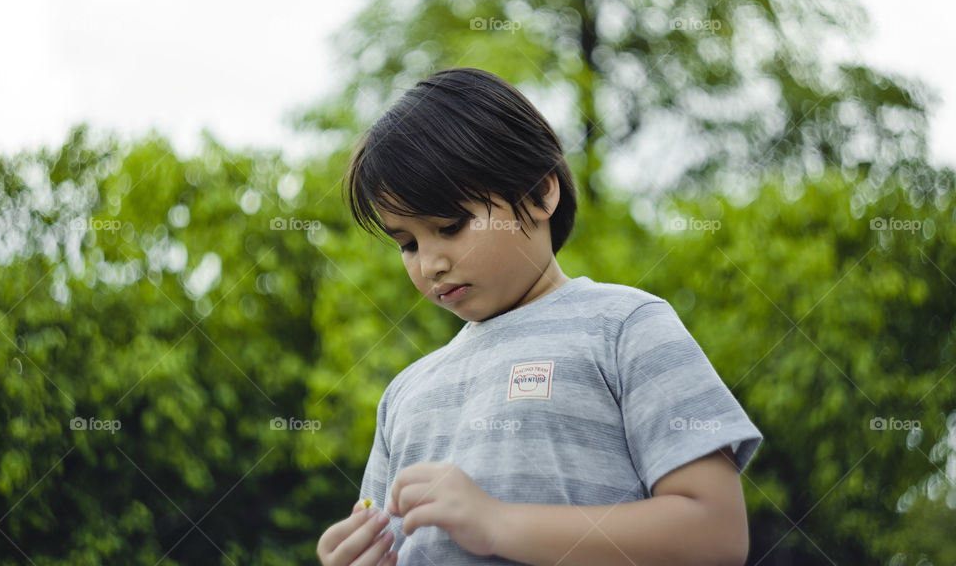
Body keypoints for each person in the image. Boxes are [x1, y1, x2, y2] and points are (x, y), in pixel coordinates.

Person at [316, 67, 763, 566]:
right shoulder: (404, 393)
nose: (430, 263)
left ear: (540, 192)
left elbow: (717, 534)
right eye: (408, 244)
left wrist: (499, 523)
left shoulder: (625, 326)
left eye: (451, 225)